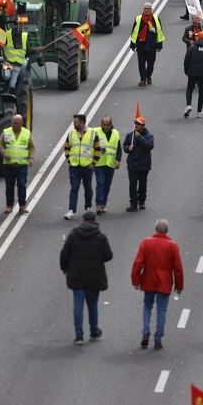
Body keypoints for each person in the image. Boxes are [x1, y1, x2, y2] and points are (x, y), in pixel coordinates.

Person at [59, 210, 113, 344]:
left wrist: (64, 268)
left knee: (78, 304)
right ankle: (94, 330)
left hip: (76, 274)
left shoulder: (73, 235)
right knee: (92, 304)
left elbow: (64, 254)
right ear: (95, 221)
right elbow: (108, 256)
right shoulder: (101, 237)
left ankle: (79, 335)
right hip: (94, 276)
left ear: (83, 220)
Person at [131, 219, 184, 350]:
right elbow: (178, 269)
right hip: (164, 282)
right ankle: (158, 338)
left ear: (155, 229)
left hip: (149, 280)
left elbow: (138, 263)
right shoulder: (172, 246)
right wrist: (179, 286)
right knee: (161, 310)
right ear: (167, 230)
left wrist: (136, 280)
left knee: (147, 306)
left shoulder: (146, 243)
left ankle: (145, 331)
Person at [0, 114, 34, 215]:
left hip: (22, 165)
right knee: (9, 186)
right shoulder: (6, 132)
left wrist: (31, 158)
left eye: (17, 123)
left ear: (22, 123)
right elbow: (0, 145)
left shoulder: (26, 133)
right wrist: (4, 154)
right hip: (9, 165)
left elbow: (31, 147)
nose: (14, 125)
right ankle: (9, 206)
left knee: (22, 184)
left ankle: (22, 205)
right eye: (13, 122)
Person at [63, 113, 96, 220]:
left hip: (87, 166)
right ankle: (71, 210)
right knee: (74, 188)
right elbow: (67, 147)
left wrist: (93, 163)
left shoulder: (92, 133)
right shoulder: (71, 133)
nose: (73, 123)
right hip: (75, 166)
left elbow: (98, 149)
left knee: (88, 188)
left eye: (75, 122)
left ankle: (88, 208)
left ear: (82, 123)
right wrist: (69, 160)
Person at [129, 3, 164, 86]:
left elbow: (159, 32)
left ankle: (148, 75)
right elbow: (134, 32)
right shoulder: (138, 19)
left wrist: (159, 45)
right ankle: (143, 79)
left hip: (152, 45)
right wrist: (133, 44)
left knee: (151, 63)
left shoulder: (155, 19)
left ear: (151, 10)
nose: (146, 10)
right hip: (141, 45)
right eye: (145, 8)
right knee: (141, 63)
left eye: (148, 8)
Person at [123, 115, 153, 212]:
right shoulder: (130, 136)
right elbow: (125, 146)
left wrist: (139, 137)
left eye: (139, 124)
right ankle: (133, 203)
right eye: (135, 123)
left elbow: (149, 146)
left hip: (143, 165)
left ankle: (142, 201)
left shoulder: (149, 136)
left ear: (143, 126)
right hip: (132, 164)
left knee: (142, 184)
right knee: (132, 184)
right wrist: (128, 148)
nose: (136, 125)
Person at [91, 116, 120, 215]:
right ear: (101, 124)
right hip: (99, 162)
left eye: (108, 125)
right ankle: (99, 204)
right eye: (104, 125)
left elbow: (118, 148)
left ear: (111, 124)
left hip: (110, 163)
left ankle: (103, 204)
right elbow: (90, 145)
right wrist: (98, 150)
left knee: (107, 185)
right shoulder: (96, 132)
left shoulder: (115, 133)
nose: (106, 127)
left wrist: (118, 160)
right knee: (100, 183)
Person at [183, 30, 203, 117]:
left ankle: (188, 105)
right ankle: (199, 111)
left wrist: (187, 71)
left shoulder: (192, 48)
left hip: (193, 72)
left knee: (189, 89)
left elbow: (186, 61)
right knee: (201, 91)